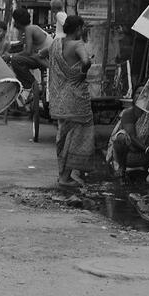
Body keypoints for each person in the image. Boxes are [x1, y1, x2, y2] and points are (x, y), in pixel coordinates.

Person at [48, 15, 95, 187]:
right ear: (77, 29)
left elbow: (45, 55)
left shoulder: (55, 44)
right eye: (82, 28)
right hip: (76, 99)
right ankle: (66, 177)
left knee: (63, 136)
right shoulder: (77, 44)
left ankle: (62, 174)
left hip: (60, 98)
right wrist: (81, 73)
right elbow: (86, 61)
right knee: (77, 136)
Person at [8, 7, 51, 91]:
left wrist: (11, 56)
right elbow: (25, 47)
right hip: (42, 57)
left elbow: (27, 52)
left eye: (14, 20)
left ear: (17, 21)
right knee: (17, 59)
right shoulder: (31, 28)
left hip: (46, 58)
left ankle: (32, 85)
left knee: (16, 60)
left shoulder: (29, 29)